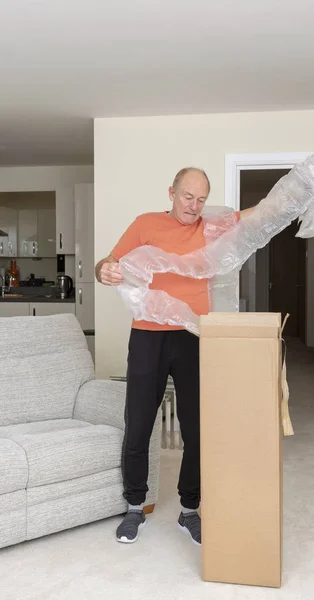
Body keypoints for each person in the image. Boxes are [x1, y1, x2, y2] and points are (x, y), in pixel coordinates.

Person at [95, 167, 252, 546]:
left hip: (194, 335)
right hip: (148, 334)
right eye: (187, 197)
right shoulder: (144, 224)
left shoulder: (211, 226)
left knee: (196, 427)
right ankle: (134, 506)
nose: (194, 207)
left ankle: (189, 510)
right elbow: (107, 263)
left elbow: (261, 213)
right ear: (171, 192)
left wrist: (309, 184)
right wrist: (105, 271)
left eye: (201, 199)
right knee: (139, 423)